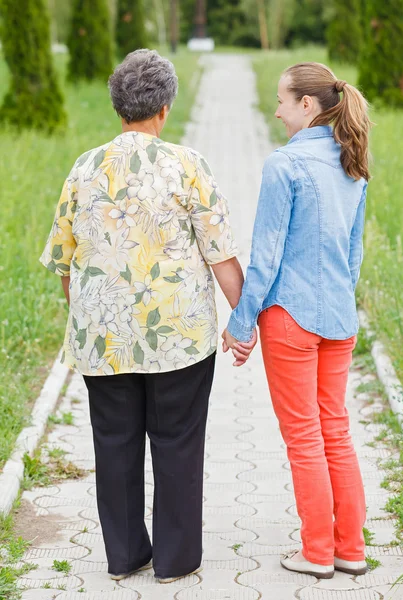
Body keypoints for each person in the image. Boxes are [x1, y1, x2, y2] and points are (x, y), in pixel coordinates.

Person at [40, 49, 255, 583]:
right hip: (179, 336)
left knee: (114, 443)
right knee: (178, 442)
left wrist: (89, 317)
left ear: (119, 107)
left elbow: (65, 261)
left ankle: (125, 556)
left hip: (103, 338)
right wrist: (244, 320)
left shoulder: (83, 168)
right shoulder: (188, 165)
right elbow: (220, 254)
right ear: (163, 108)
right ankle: (176, 561)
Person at [223, 62, 371, 579]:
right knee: (336, 431)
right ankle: (350, 548)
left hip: (289, 320)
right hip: (339, 318)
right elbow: (353, 257)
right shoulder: (353, 164)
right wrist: (336, 300)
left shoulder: (283, 166)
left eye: (283, 101)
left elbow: (265, 259)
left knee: (305, 437)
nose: (277, 110)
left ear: (307, 105)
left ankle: (314, 553)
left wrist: (241, 326)